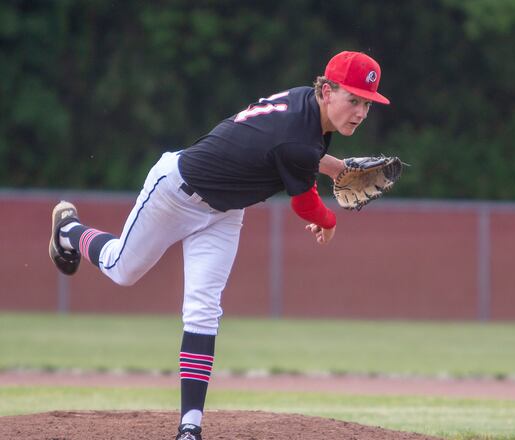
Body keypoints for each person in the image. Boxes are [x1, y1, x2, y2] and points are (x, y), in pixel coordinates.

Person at [47, 51, 390, 440]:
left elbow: (295, 150)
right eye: (353, 99)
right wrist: (328, 221)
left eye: (367, 103)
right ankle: (69, 230)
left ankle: (189, 427)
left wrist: (338, 168)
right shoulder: (300, 137)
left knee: (203, 311)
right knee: (121, 268)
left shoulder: (306, 106)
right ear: (327, 91)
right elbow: (304, 200)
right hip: (175, 193)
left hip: (224, 212)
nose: (361, 112)